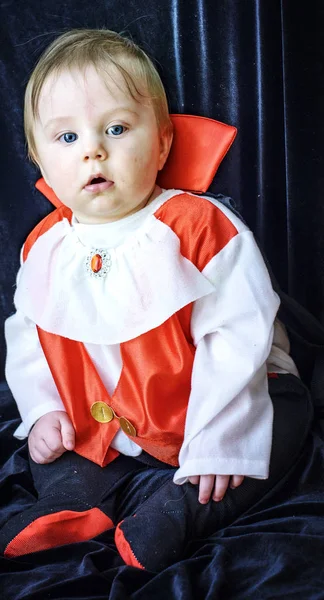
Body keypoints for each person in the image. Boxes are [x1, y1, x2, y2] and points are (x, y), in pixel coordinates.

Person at [2, 28, 311, 572]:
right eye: (67, 138)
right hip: (109, 419)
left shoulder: (199, 227)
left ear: (163, 142)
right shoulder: (45, 245)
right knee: (54, 445)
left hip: (218, 400)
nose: (93, 149)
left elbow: (238, 336)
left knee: (279, 426)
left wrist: (217, 436)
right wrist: (43, 408)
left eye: (116, 129)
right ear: (39, 159)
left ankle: (179, 510)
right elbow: (28, 336)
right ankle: (72, 502)